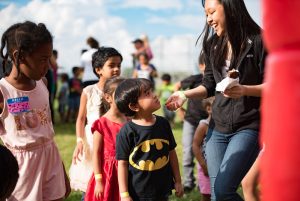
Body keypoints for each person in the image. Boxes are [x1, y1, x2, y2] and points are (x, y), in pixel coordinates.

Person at [165, 0, 266, 200]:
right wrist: (185, 94)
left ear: (230, 6)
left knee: (223, 191)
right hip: (217, 128)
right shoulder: (212, 45)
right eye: (206, 15)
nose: (209, 19)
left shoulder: (260, 40)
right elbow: (209, 85)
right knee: (215, 195)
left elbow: (275, 86)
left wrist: (244, 90)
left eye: (211, 12)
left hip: (249, 127)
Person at [0, 21, 70, 200]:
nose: (49, 65)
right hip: (21, 166)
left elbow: (47, 133)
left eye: (49, 58)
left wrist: (61, 170)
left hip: (50, 156)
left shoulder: (43, 83)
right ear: (19, 56)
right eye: (43, 59)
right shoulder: (3, 91)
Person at [115, 78, 184, 201]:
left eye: (151, 91)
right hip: (138, 192)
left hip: (162, 189)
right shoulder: (127, 132)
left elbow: (171, 153)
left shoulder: (163, 123)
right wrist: (124, 194)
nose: (154, 95)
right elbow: (122, 164)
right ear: (134, 106)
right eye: (147, 94)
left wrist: (178, 180)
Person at [69, 47, 123, 200]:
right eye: (111, 65)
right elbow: (81, 119)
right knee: (90, 185)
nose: (116, 69)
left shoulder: (124, 90)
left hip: (114, 145)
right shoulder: (88, 91)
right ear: (98, 69)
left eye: (119, 65)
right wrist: (80, 141)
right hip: (92, 144)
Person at [84, 77, 126, 201]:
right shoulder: (101, 124)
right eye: (120, 95)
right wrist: (99, 181)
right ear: (108, 98)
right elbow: (96, 153)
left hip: (127, 171)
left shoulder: (130, 121)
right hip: (108, 174)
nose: (125, 98)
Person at [173, 52, 208, 192]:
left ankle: (204, 182)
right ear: (201, 66)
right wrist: (180, 110)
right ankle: (188, 182)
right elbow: (177, 86)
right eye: (207, 65)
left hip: (209, 123)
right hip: (191, 120)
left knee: (206, 152)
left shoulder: (218, 80)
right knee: (187, 151)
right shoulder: (196, 79)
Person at [192, 97, 214, 201]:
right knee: (206, 194)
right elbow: (195, 145)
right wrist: (203, 165)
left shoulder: (224, 126)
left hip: (219, 165)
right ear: (209, 109)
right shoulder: (204, 126)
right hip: (205, 165)